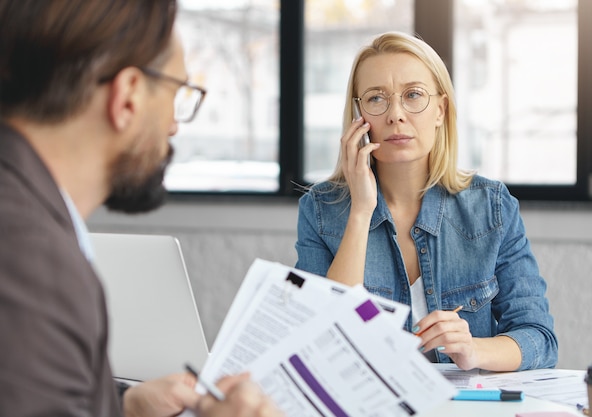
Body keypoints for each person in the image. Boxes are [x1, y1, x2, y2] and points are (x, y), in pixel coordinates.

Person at [0, 1, 282, 416]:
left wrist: (125, 405)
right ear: (128, 96)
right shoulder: (34, 263)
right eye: (178, 94)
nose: (175, 125)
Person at [295, 31, 558, 372]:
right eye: (376, 99)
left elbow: (539, 339)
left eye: (413, 95)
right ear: (358, 116)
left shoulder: (491, 208)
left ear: (440, 109)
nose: (396, 115)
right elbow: (318, 343)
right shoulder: (321, 210)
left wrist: (473, 349)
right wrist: (361, 210)